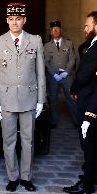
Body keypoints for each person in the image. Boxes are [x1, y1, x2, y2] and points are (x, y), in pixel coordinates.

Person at [0, 3, 46, 192]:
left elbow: (40, 73)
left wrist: (40, 100)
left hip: (29, 99)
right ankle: (12, 177)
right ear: (7, 21)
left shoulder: (35, 40)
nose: (15, 22)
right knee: (9, 140)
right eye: (11, 19)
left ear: (24, 20)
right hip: (6, 100)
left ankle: (26, 177)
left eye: (18, 19)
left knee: (28, 141)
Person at [63, 11, 97, 194]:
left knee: (89, 143)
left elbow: (84, 74)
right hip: (88, 98)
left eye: (88, 25)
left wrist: (73, 89)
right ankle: (91, 174)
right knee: (90, 142)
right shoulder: (90, 45)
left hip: (91, 102)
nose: (84, 28)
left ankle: (88, 183)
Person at [44, 20, 77, 128]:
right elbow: (46, 62)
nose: (56, 31)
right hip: (53, 77)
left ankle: (77, 121)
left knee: (71, 99)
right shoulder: (47, 46)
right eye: (53, 30)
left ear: (60, 30)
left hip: (67, 77)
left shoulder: (69, 43)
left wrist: (66, 72)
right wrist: (54, 74)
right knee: (53, 100)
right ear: (50, 32)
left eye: (57, 29)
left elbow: (72, 59)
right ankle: (54, 121)